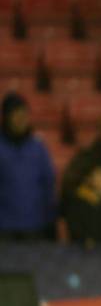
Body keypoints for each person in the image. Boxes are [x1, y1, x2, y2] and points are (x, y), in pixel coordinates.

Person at [0, 93, 56, 240]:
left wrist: (50, 221)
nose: (21, 119)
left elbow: (48, 183)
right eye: (16, 114)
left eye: (24, 114)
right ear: (6, 117)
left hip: (34, 227)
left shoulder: (38, 148)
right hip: (4, 229)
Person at [66, 166, 101, 248]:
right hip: (83, 245)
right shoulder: (80, 198)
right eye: (95, 176)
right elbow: (74, 221)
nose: (97, 179)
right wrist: (84, 238)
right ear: (89, 178)